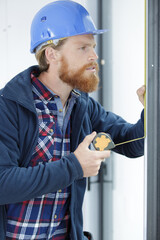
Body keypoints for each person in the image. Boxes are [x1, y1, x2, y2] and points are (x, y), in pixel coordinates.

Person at [0, 1, 145, 239]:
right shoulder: (8, 105)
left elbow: (133, 142)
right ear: (51, 53)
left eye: (93, 47)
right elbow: (2, 183)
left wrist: (150, 112)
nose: (94, 56)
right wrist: (75, 166)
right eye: (83, 48)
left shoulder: (82, 105)